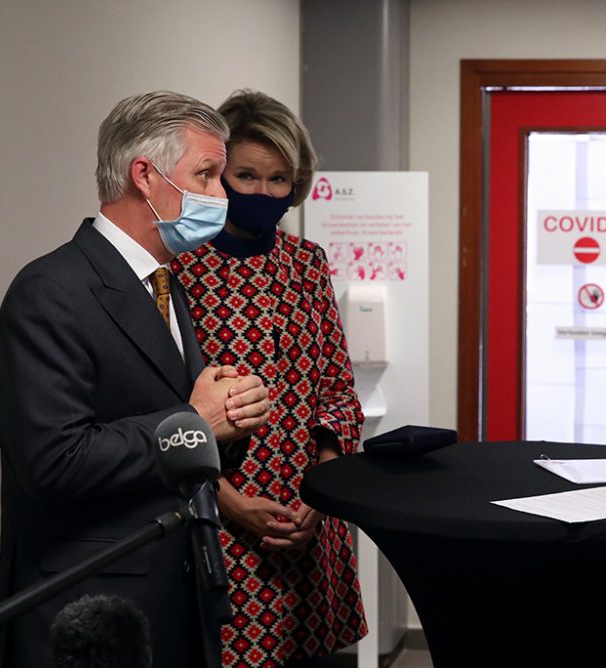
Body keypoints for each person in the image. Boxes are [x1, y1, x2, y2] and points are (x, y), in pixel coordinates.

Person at [0, 91, 271, 668]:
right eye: (207, 175)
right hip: (88, 608)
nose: (223, 196)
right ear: (145, 175)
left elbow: (172, 419)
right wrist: (197, 422)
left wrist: (230, 416)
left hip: (178, 589)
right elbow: (53, 462)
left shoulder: (165, 282)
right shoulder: (50, 291)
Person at [172, 90, 366, 666]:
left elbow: (337, 392)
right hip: (216, 516)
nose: (262, 192)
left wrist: (323, 493)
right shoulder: (176, 268)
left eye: (279, 179)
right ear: (216, 174)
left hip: (310, 521)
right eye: (247, 175)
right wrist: (234, 505)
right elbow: (160, 410)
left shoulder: (307, 264)